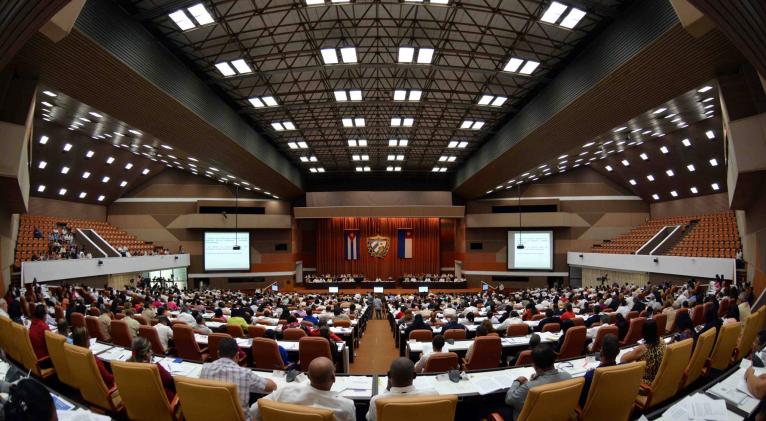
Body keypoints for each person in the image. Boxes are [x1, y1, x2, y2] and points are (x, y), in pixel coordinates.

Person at [250, 357, 355, 421]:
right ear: (333, 378)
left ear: (308, 376)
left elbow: (253, 411)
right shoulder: (346, 406)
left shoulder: (284, 391)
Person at [200, 337, 277, 415]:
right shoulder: (245, 373)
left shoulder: (205, 368)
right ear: (237, 355)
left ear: (218, 353)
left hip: (213, 416)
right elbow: (272, 387)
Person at [504, 343, 572, 420]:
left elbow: (509, 400)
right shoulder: (568, 377)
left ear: (535, 365)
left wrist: (517, 381)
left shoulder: (529, 387)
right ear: (554, 360)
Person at [367, 357, 437, 421]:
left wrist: (387, 390)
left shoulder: (376, 401)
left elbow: (370, 419)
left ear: (389, 375)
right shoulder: (433, 395)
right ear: (414, 376)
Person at [129, 337, 176, 401]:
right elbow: (171, 382)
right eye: (150, 350)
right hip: (162, 401)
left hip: (140, 400)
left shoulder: (127, 365)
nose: (151, 351)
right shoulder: (154, 368)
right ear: (146, 353)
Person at [620, 319, 666, 384]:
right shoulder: (662, 341)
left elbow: (623, 359)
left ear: (643, 332)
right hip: (660, 377)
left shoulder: (643, 348)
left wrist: (632, 352)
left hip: (647, 383)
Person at [579, 333, 619, 406]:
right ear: (618, 352)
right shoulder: (622, 370)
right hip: (610, 405)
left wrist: (589, 373)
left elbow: (581, 400)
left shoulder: (590, 375)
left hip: (591, 411)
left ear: (601, 352)